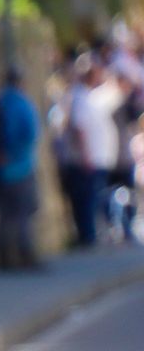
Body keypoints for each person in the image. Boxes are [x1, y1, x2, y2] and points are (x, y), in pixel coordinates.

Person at [0, 67, 43, 270]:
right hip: (21, 166)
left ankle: (3, 257)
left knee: (4, 215)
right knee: (22, 213)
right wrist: (14, 154)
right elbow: (31, 134)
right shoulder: (23, 105)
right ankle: (25, 254)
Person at [64, 55, 123, 247]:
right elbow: (80, 129)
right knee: (87, 199)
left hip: (98, 157)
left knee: (93, 197)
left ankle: (92, 234)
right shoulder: (80, 97)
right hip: (88, 159)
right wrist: (86, 155)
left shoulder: (89, 96)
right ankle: (88, 236)